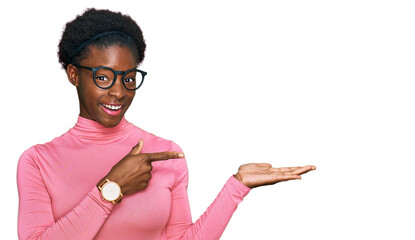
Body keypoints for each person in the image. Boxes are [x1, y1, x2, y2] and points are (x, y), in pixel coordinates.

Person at [17, 8, 316, 240]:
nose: (119, 92)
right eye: (103, 77)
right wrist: (112, 188)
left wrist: (236, 187)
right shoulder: (38, 162)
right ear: (73, 74)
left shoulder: (165, 153)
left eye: (129, 78)